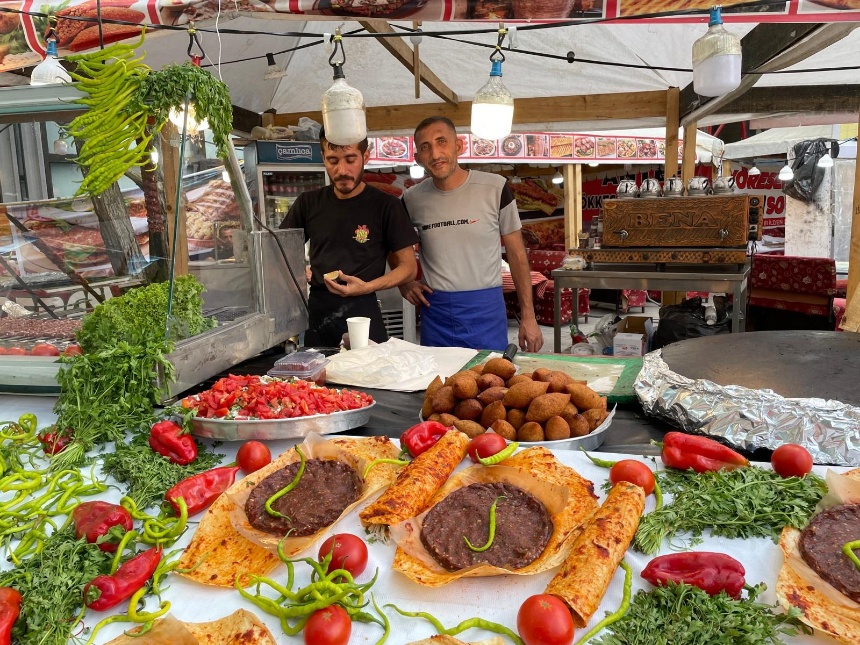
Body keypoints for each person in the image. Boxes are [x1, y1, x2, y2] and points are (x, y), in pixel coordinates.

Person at [400, 116, 543, 353]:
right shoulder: (410, 199)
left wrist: (529, 316)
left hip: (486, 309)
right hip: (436, 312)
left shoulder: (495, 188)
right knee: (438, 385)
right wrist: (404, 284)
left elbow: (517, 255)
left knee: (491, 384)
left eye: (442, 141)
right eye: (425, 147)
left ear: (459, 146)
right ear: (418, 158)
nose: (435, 154)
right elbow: (390, 242)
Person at [280, 128, 418, 348]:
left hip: (364, 309)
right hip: (318, 313)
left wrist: (367, 286)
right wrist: (297, 268)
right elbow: (280, 252)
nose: (342, 170)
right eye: (333, 160)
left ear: (366, 156)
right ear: (323, 158)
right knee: (316, 380)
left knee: (368, 379)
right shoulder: (308, 203)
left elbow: (409, 267)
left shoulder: (386, 205)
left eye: (350, 159)